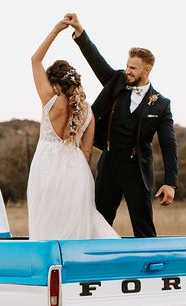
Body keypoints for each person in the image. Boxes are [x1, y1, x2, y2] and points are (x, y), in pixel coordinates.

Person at [64, 12, 178, 238]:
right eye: (127, 66)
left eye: (133, 68)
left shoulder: (161, 105)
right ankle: (95, 267)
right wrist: (80, 31)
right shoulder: (117, 81)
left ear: (146, 70)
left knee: (143, 227)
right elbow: (97, 62)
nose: (128, 71)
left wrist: (170, 183)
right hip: (109, 163)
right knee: (98, 220)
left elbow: (169, 145)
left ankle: (148, 269)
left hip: (137, 169)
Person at [27, 20, 119, 240]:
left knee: (47, 222)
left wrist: (56, 30)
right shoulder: (87, 111)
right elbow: (87, 152)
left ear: (53, 82)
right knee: (79, 225)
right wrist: (75, 170)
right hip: (77, 171)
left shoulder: (49, 99)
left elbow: (35, 59)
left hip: (46, 167)